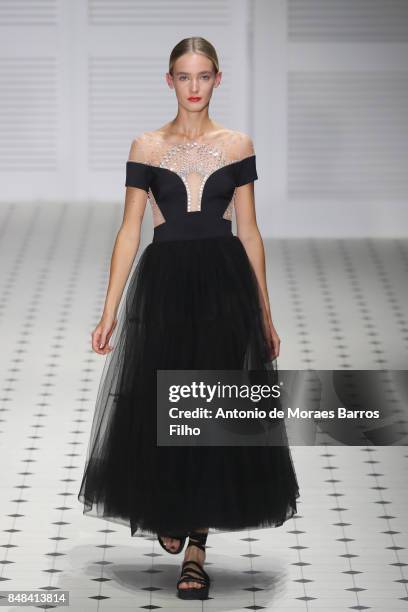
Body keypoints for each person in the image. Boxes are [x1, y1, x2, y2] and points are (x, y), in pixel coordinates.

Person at [78, 36, 300, 601]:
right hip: (166, 285)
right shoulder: (147, 147)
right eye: (184, 76)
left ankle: (196, 550)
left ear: (218, 80)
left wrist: (265, 314)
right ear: (169, 81)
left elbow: (249, 231)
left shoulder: (237, 145)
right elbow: (130, 230)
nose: (194, 86)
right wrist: (108, 312)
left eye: (204, 76)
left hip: (225, 285)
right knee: (163, 402)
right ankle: (171, 509)